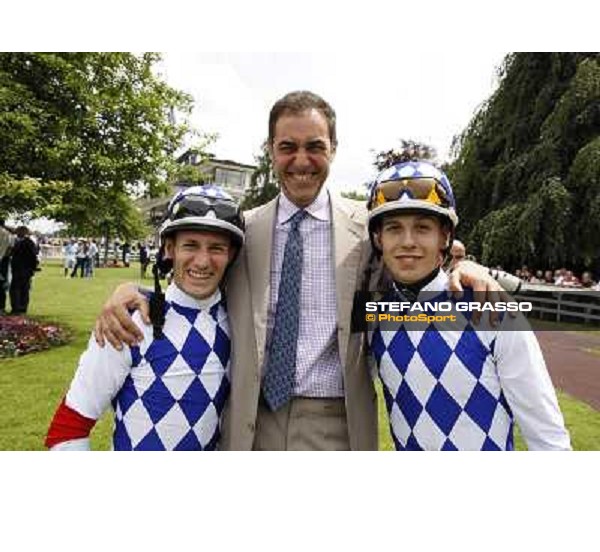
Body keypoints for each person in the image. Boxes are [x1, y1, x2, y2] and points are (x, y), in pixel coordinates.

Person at [94, 91, 508, 451]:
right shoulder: (242, 230)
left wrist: (463, 264)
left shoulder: (369, 229)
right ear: (271, 149)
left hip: (336, 424)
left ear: (333, 148)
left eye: (315, 146)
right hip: (248, 422)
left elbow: (419, 260)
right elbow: (195, 278)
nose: (301, 161)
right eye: (287, 146)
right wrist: (136, 292)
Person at [365, 161, 571, 450]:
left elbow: (548, 436)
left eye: (422, 228)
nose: (407, 242)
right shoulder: (374, 318)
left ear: (445, 237)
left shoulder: (493, 311)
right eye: (394, 229)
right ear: (378, 239)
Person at [45, 185, 245, 451]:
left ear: (231, 255)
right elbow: (67, 429)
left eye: (216, 248)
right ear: (169, 249)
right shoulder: (130, 320)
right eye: (191, 245)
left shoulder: (239, 324)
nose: (202, 261)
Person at [9, 226, 39, 315]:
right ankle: (22, 307)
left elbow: (33, 257)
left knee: (16, 289)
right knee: (24, 289)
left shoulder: (27, 243)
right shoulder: (26, 242)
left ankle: (17, 308)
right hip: (23, 270)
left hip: (22, 269)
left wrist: (33, 268)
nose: (16, 233)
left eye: (18, 232)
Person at [0, 219, 16, 313]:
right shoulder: (9, 235)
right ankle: (1, 307)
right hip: (3, 261)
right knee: (2, 285)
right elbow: (10, 250)